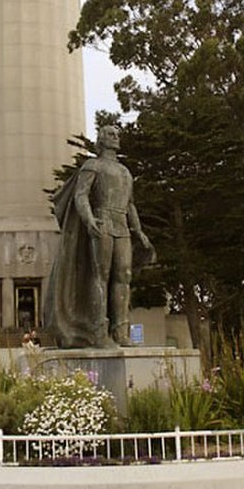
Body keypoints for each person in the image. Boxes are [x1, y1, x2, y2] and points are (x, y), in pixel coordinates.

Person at [45, 124, 156, 348]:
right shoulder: (92, 166)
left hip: (122, 226)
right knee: (101, 275)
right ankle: (98, 331)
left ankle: (121, 332)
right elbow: (81, 195)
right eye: (110, 134)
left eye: (117, 134)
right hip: (102, 222)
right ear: (101, 140)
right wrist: (88, 219)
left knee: (124, 275)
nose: (116, 137)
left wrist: (139, 231)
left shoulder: (125, 172)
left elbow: (130, 204)